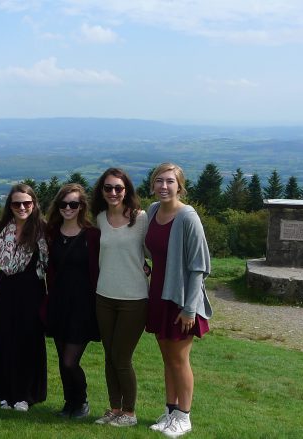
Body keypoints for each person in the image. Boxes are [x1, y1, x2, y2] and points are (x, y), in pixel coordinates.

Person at [143, 163, 213, 437]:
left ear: (179, 186)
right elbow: (152, 250)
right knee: (167, 359)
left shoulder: (188, 217)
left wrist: (189, 309)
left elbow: (199, 267)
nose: (163, 186)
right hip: (159, 293)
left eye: (170, 181)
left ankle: (184, 417)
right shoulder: (152, 211)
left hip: (182, 299)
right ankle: (170, 411)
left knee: (179, 360)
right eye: (159, 180)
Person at [89, 167, 149, 427]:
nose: (113, 192)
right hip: (104, 296)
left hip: (133, 299)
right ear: (101, 191)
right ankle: (114, 408)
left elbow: (155, 251)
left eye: (118, 188)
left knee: (121, 358)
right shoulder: (100, 218)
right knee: (109, 356)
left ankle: (130, 413)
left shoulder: (141, 218)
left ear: (127, 191)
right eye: (108, 188)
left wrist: (149, 267)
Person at [0, 183, 48, 412]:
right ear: (10, 206)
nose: (22, 207)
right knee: (4, 340)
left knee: (28, 342)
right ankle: (5, 392)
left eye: (27, 203)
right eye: (17, 203)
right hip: (6, 290)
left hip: (31, 291)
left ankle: (25, 395)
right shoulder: (5, 228)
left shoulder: (42, 229)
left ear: (34, 204)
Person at [44, 183, 101, 419]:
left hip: (83, 307)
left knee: (70, 361)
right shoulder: (52, 234)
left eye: (73, 204)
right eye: (63, 204)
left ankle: (83, 401)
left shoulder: (92, 235)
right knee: (61, 358)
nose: (68, 208)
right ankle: (69, 403)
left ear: (81, 207)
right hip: (59, 304)